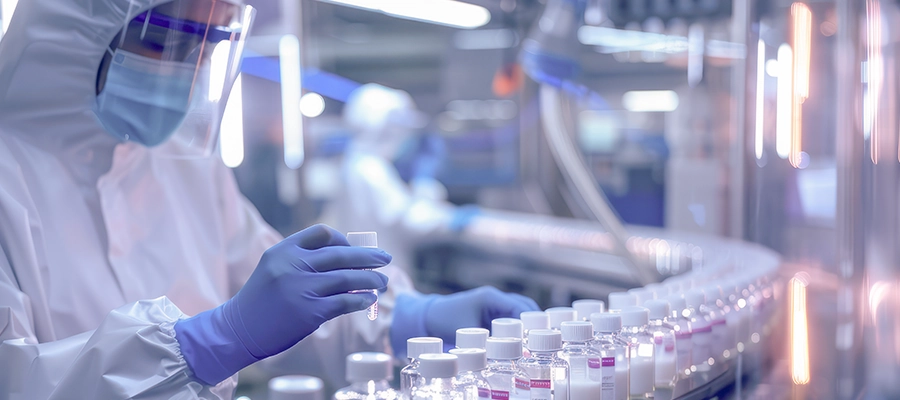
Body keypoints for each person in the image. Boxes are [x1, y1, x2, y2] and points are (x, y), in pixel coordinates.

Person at [0, 0, 538, 398]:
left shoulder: (186, 168)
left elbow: (287, 302)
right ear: (79, 30)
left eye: (205, 45)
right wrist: (206, 342)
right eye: (167, 39)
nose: (184, 68)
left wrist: (410, 318)